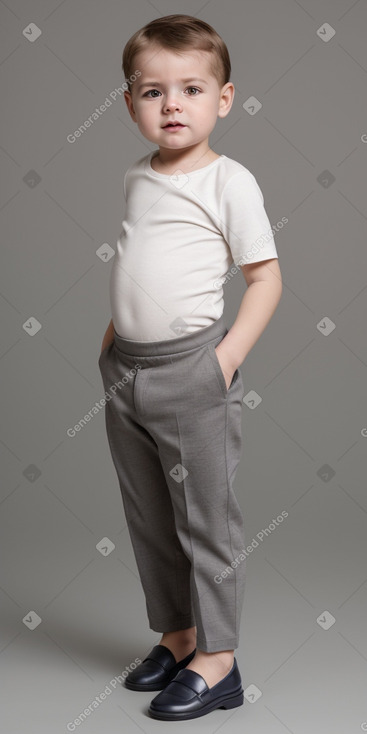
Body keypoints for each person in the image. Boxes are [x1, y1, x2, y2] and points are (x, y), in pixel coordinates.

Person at [98, 14, 282, 721]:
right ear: (130, 104)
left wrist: (224, 361)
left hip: (192, 375)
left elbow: (264, 279)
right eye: (152, 91)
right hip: (127, 372)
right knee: (148, 514)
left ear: (223, 99)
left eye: (190, 88)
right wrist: (111, 342)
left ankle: (219, 658)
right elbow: (136, 265)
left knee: (205, 519)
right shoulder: (136, 177)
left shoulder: (228, 182)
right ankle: (177, 637)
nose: (171, 104)